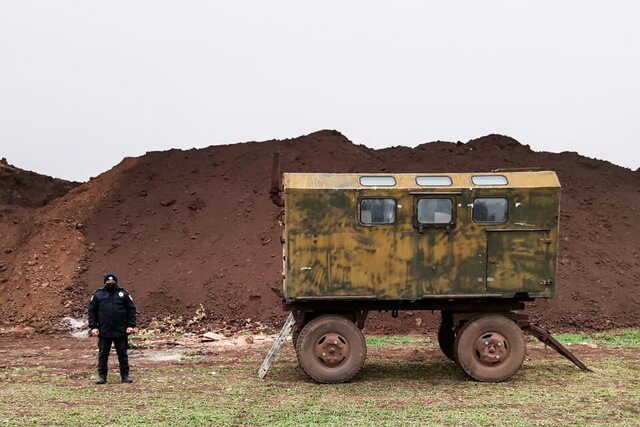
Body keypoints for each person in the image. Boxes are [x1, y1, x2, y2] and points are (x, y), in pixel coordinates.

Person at [88, 273, 137, 384]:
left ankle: (125, 376)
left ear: (116, 282)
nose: (110, 284)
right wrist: (93, 327)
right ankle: (102, 377)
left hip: (120, 330)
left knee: (122, 354)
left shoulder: (123, 294)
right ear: (104, 283)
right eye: (108, 282)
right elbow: (92, 312)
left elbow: (131, 310)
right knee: (103, 355)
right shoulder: (98, 295)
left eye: (112, 282)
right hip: (104, 331)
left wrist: (131, 325)